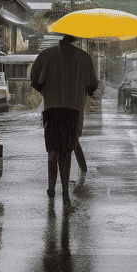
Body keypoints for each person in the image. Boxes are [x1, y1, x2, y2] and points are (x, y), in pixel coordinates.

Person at [29, 33, 98, 206]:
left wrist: (49, 90)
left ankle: (51, 187)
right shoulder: (84, 57)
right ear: (74, 39)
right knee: (66, 152)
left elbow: (36, 81)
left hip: (52, 108)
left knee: (52, 151)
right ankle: (65, 192)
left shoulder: (46, 55)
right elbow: (92, 86)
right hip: (73, 110)